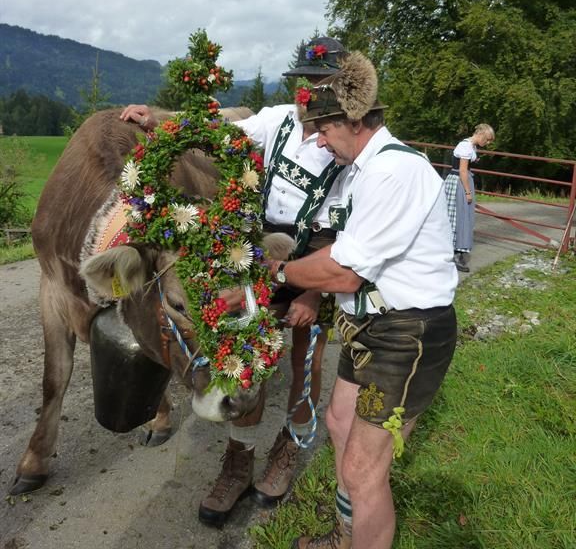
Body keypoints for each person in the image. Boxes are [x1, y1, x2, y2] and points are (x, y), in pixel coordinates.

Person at [219, 51, 459, 549]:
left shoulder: (393, 172)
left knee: (364, 469)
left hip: (407, 335)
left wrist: (276, 271)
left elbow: (345, 273)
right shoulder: (360, 168)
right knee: (338, 422)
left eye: (324, 132)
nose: (320, 143)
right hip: (371, 329)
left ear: (351, 121)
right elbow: (337, 245)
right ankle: (344, 537)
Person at [120, 36, 350, 525]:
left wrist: (312, 288)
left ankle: (286, 448)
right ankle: (239, 461)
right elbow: (222, 129)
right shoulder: (281, 119)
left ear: (341, 88)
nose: (310, 94)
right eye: (305, 84)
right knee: (244, 351)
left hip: (322, 259)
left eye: (321, 84)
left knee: (306, 358)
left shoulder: (349, 141)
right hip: (259, 251)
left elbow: (351, 225)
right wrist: (154, 119)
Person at [444, 123, 495, 272]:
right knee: (458, 216)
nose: (488, 143)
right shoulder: (465, 147)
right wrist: (467, 192)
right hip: (459, 182)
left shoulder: (471, 146)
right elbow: (463, 171)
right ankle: (454, 252)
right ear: (480, 135)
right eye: (487, 139)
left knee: (464, 216)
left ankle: (458, 250)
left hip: (463, 181)